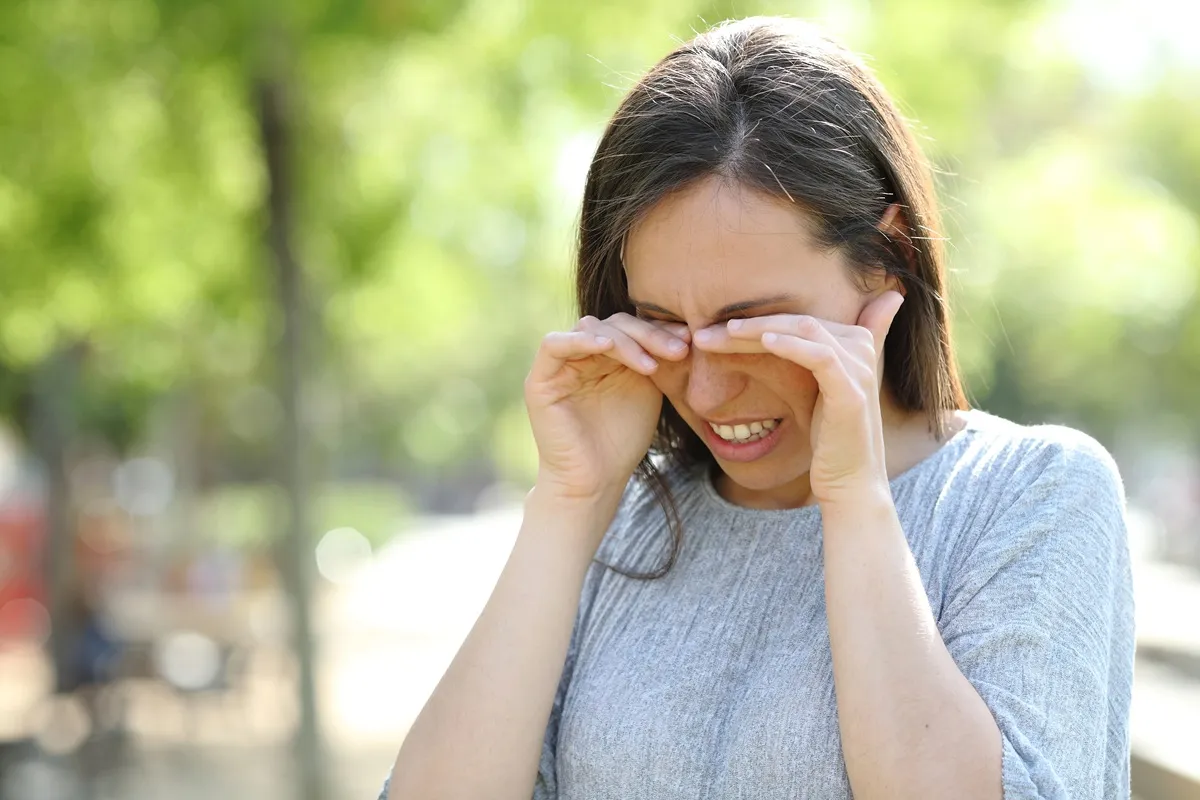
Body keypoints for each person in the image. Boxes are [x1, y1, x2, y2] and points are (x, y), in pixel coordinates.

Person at [380, 16, 1134, 800]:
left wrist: (855, 501)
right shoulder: (625, 525)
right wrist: (572, 502)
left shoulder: (1032, 495)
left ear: (889, 261)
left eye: (753, 329)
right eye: (666, 324)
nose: (705, 391)